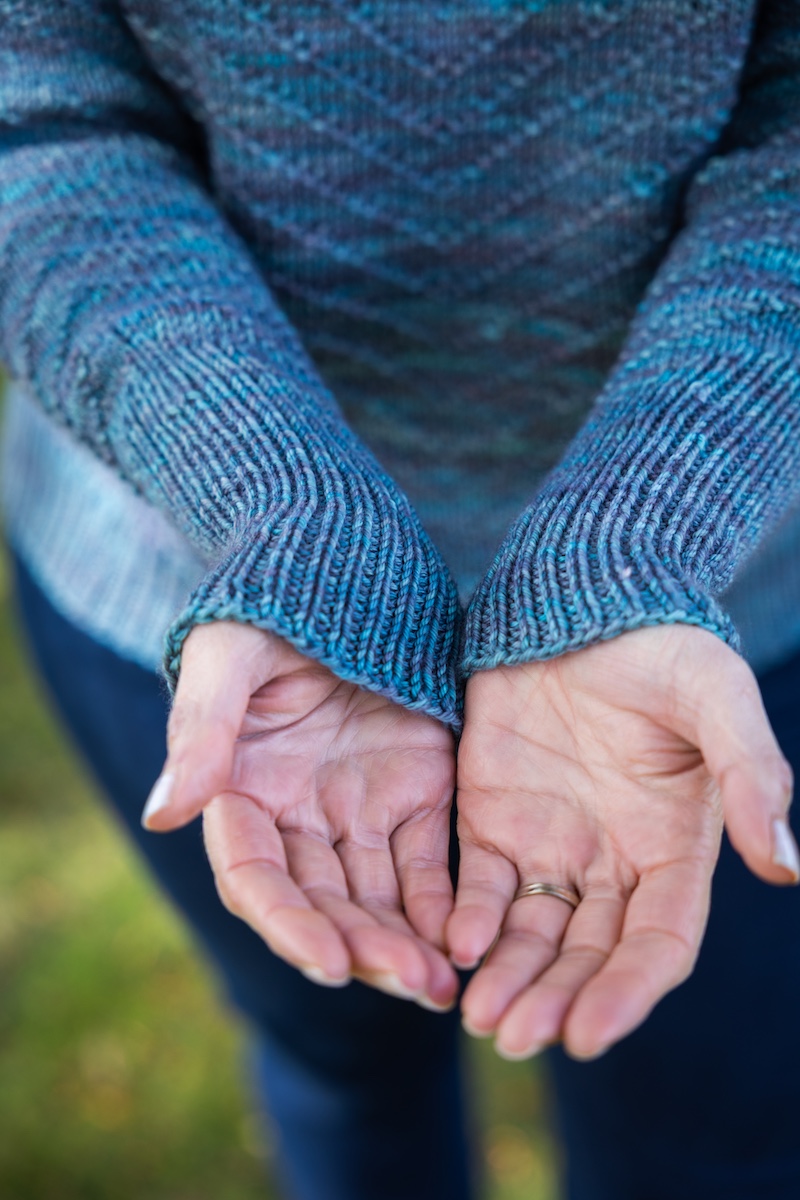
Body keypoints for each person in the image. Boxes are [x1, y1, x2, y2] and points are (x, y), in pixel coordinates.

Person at [3, 2, 800, 1197]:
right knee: (344, 1067)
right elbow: (42, 134)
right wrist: (288, 513)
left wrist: (630, 533)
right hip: (207, 614)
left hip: (729, 603)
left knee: (706, 1132)